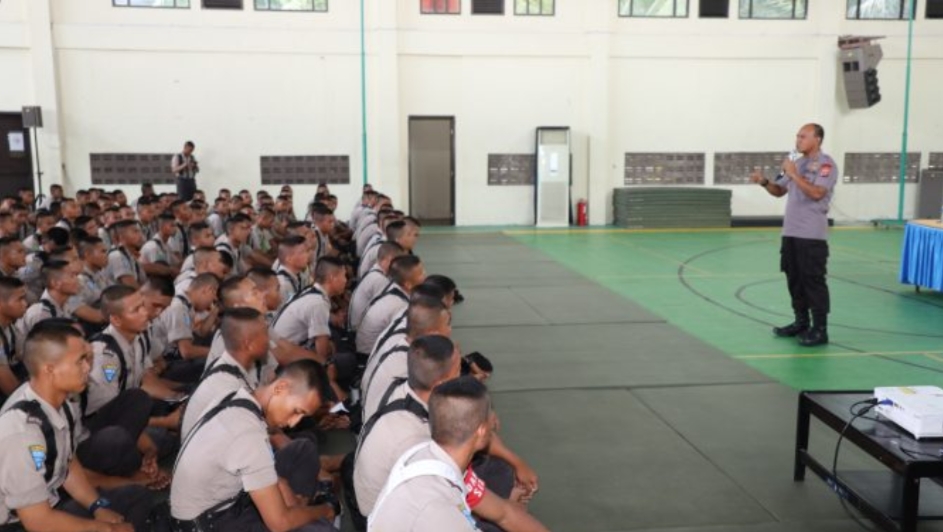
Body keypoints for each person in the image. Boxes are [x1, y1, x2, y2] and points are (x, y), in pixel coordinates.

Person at [0, 320, 152, 531]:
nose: (88, 368)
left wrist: (97, 506)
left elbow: (67, 464)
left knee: (136, 497)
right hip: (19, 524)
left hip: (49, 499)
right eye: (80, 361)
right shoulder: (20, 433)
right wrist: (104, 529)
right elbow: (38, 522)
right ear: (49, 369)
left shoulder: (63, 402)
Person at [169, 360, 336, 532]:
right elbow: (279, 524)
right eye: (297, 411)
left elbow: (247, 458)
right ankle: (299, 512)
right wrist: (325, 510)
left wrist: (279, 483)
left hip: (223, 500)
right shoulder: (249, 433)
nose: (293, 423)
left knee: (303, 449)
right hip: (208, 524)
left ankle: (298, 509)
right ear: (280, 388)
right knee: (320, 529)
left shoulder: (236, 395)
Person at [368, 377, 494, 532]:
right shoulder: (438, 509)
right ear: (481, 430)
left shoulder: (420, 453)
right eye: (490, 416)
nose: (494, 421)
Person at [751, 123, 838, 347]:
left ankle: (820, 329)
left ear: (817, 139)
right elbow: (779, 190)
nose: (798, 140)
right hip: (790, 232)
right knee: (794, 280)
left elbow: (817, 193)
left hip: (811, 234)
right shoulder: (796, 162)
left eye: (803, 136)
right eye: (797, 136)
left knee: (813, 281)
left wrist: (793, 174)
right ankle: (801, 322)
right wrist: (764, 182)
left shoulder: (826, 164)